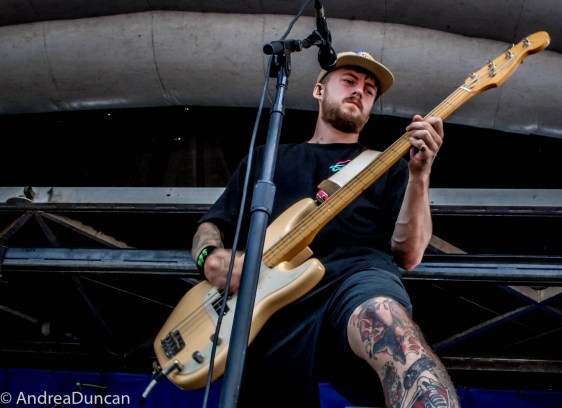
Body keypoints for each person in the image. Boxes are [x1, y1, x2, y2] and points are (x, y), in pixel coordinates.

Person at [192, 50, 461, 407]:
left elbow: (410, 255)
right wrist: (210, 258)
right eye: (349, 81)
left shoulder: (388, 167)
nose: (359, 91)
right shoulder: (268, 159)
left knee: (394, 333)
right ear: (318, 90)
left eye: (369, 90)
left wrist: (420, 174)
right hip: (269, 303)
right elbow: (212, 223)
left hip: (356, 280)